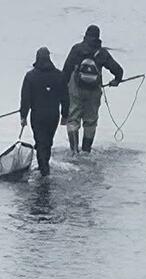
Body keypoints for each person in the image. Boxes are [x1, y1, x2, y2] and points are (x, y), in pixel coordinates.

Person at [62, 24, 123, 154]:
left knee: (73, 119)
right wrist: (116, 80)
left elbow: (66, 70)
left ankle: (74, 151)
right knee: (90, 121)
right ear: (98, 37)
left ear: (85, 35)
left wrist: (62, 89)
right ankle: (86, 151)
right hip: (94, 91)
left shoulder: (77, 49)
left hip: (76, 90)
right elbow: (118, 69)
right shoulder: (102, 53)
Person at [19, 47, 69, 175]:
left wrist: (23, 116)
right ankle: (44, 165)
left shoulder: (30, 76)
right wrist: (65, 115)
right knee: (47, 142)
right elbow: (65, 97)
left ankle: (44, 168)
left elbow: (25, 99)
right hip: (53, 115)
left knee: (40, 141)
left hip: (37, 115)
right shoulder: (59, 75)